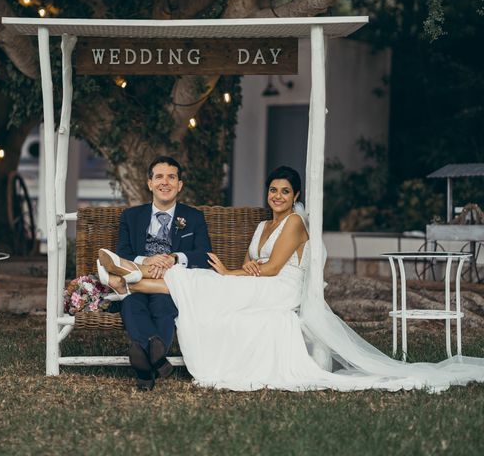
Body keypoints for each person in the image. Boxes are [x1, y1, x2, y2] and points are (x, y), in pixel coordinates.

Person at [99, 166, 484, 391]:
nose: (277, 196)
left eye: (284, 191)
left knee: (204, 282)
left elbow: (269, 269)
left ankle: (124, 278)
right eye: (272, 190)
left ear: (295, 194)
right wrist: (243, 270)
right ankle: (127, 278)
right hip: (262, 283)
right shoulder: (265, 225)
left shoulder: (297, 222)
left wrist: (234, 272)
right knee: (200, 284)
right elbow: (256, 261)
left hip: (281, 290)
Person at [98, 156, 212, 391]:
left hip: (169, 285)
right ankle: (157, 360)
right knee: (132, 304)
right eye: (159, 176)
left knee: (163, 306)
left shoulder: (193, 217)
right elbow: (123, 252)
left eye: (172, 177)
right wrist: (147, 261)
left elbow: (204, 255)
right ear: (149, 183)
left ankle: (144, 370)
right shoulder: (132, 216)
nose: (165, 182)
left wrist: (175, 257)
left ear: (179, 185)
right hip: (139, 278)